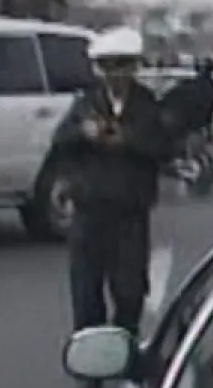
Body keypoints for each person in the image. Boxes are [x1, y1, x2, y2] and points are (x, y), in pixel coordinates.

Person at [55, 27, 170, 348]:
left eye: (121, 64)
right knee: (86, 292)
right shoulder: (86, 102)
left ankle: (125, 352)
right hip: (89, 211)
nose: (114, 73)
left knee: (129, 292)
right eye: (107, 65)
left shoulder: (148, 105)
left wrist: (127, 140)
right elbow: (60, 141)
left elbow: (164, 147)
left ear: (133, 67)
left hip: (129, 213)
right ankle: (90, 359)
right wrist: (84, 132)